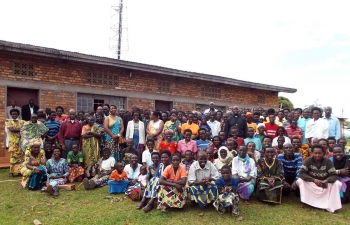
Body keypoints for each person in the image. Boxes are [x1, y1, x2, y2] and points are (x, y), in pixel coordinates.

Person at [297, 144, 342, 213]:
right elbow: (302, 173)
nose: (317, 155)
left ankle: (332, 205)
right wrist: (313, 180)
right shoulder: (308, 160)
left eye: (319, 153)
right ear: (312, 153)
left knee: (337, 183)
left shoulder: (327, 161)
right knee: (300, 181)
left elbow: (334, 175)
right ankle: (307, 202)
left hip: (324, 182)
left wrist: (326, 180)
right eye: (315, 153)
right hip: (312, 182)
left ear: (323, 153)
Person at [6, 109, 25, 177]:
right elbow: (11, 129)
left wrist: (20, 130)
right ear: (11, 114)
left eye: (15, 114)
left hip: (20, 141)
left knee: (21, 157)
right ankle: (11, 172)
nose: (14, 115)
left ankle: (19, 171)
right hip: (13, 142)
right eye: (13, 114)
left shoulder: (22, 121)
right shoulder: (8, 121)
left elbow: (25, 129)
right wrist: (21, 130)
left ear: (18, 114)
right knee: (13, 157)